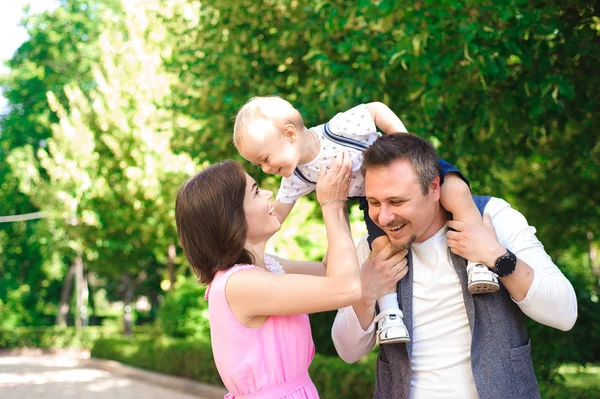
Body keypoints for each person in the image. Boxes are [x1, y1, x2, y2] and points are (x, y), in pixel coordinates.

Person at [233, 96, 499, 345]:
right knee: (381, 253)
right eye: (259, 165)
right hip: (371, 200)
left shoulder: (335, 130)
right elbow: (275, 215)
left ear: (290, 134)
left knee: (456, 191)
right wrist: (240, 242)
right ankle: (390, 314)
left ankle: (478, 262)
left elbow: (376, 110)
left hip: (408, 168)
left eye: (265, 159)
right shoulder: (296, 178)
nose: (266, 169)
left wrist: (404, 144)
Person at [331, 133, 578, 399]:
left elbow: (564, 314)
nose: (384, 216)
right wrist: (365, 294)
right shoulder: (371, 247)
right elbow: (348, 351)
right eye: (374, 203)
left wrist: (496, 256)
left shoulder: (492, 217)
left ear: (434, 188)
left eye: (398, 201)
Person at [175, 154, 405, 398]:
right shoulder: (238, 284)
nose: (267, 194)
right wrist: (332, 204)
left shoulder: (268, 268)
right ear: (230, 217)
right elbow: (345, 288)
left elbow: (329, 270)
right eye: (255, 191)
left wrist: (339, 195)